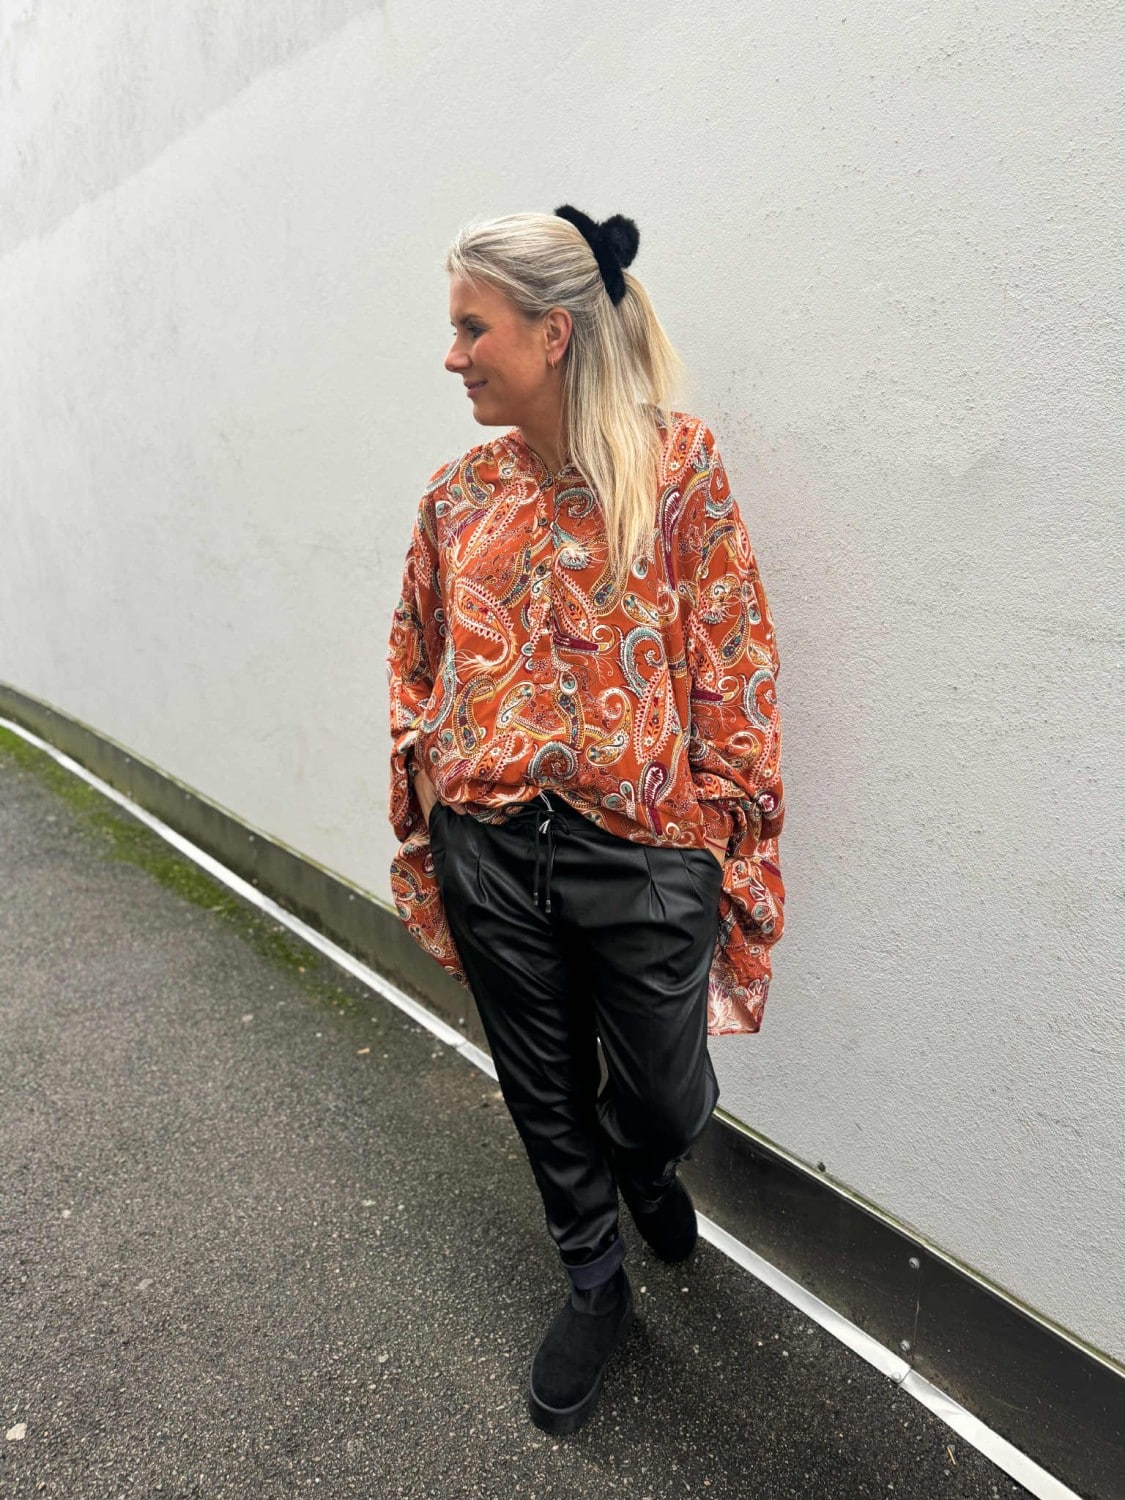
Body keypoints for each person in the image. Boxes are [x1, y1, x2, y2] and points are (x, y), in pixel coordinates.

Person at [385, 204, 785, 1435]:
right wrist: (431, 783)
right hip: (491, 846)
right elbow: (414, 655)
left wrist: (720, 835)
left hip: (646, 847)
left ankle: (647, 1161)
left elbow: (734, 657)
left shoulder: (679, 469)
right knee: (538, 1085)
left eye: (474, 328)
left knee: (658, 1093)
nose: (453, 355)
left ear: (551, 334)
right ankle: (594, 1282)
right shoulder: (456, 495)